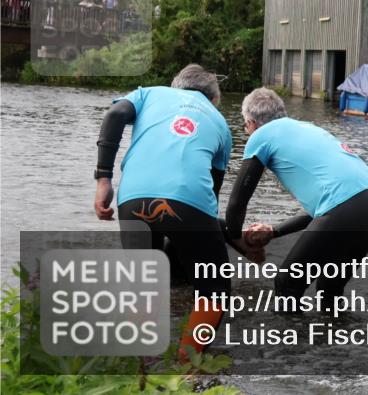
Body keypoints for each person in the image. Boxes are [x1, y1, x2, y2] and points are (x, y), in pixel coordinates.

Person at [92, 63, 256, 358]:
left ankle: (138, 367)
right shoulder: (220, 124)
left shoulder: (149, 94)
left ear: (174, 86)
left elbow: (115, 115)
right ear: (214, 98)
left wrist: (104, 178)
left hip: (133, 199)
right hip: (189, 203)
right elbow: (211, 194)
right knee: (214, 290)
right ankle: (186, 367)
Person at [226, 87, 368, 300]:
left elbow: (237, 203)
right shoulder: (307, 128)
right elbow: (328, 210)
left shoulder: (261, 135)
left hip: (346, 208)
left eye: (245, 125)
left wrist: (240, 240)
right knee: (329, 288)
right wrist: (274, 231)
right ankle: (335, 330)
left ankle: (289, 334)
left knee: (287, 284)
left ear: (251, 123)